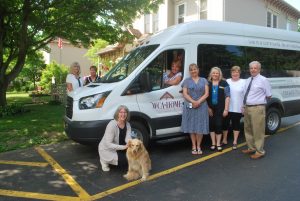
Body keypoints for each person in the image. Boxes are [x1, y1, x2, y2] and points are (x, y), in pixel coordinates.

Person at [242, 61, 271, 159]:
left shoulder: (264, 80)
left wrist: (259, 103)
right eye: (251, 68)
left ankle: (260, 151)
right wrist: (244, 106)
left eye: (255, 68)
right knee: (248, 129)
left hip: (257, 108)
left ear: (259, 69)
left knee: (258, 130)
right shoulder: (248, 79)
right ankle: (251, 148)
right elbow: (246, 94)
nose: (253, 70)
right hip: (247, 107)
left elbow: (269, 95)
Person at [181, 63, 209, 155]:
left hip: (202, 105)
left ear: (198, 70)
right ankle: (193, 146)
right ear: (189, 71)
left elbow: (206, 94)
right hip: (189, 105)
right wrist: (193, 102)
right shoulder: (186, 81)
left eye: (195, 69)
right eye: (191, 70)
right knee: (191, 125)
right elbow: (184, 94)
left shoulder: (204, 80)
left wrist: (198, 102)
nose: (193, 71)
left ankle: (199, 146)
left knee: (200, 126)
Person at [98, 105, 132, 171]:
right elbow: (108, 144)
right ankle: (104, 161)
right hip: (108, 149)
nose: (123, 114)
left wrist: (130, 143)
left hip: (121, 146)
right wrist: (124, 147)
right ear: (117, 114)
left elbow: (127, 138)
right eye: (121, 112)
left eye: (125, 112)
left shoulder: (128, 124)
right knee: (124, 163)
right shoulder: (112, 125)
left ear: (127, 114)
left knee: (133, 157)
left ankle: (118, 158)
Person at [207, 67, 230, 152]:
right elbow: (205, 96)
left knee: (219, 125)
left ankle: (218, 144)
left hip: (220, 108)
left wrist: (226, 109)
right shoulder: (208, 83)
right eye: (213, 73)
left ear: (219, 74)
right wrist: (208, 108)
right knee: (211, 125)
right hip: (210, 109)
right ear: (211, 74)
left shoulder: (224, 83)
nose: (215, 74)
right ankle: (213, 143)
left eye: (217, 73)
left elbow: (227, 96)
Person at [222, 66, 245, 150]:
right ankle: (224, 140)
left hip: (238, 108)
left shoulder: (244, 82)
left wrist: (244, 106)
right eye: (233, 72)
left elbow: (246, 95)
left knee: (236, 124)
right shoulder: (227, 81)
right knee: (225, 124)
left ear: (239, 73)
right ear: (231, 73)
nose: (235, 73)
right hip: (227, 107)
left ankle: (235, 141)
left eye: (237, 72)